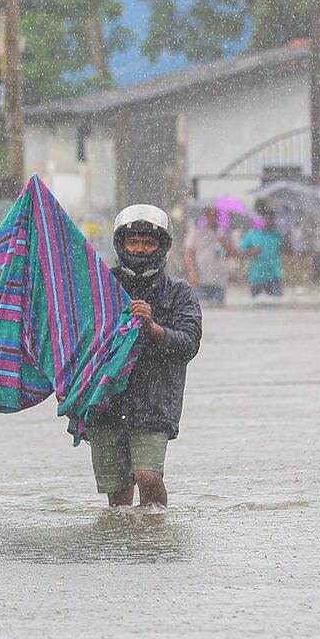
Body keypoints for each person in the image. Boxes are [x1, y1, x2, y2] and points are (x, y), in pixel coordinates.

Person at [84, 204, 202, 508]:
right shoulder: (99, 285)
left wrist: (152, 328)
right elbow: (78, 340)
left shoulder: (179, 292)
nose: (140, 249)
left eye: (148, 242)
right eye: (133, 242)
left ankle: (156, 537)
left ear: (161, 246)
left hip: (155, 400)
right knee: (118, 495)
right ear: (121, 244)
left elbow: (188, 344)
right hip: (106, 401)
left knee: (148, 476)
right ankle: (128, 547)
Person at [183, 205, 239, 307]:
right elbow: (189, 253)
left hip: (220, 280)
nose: (213, 217)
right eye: (210, 214)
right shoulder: (196, 231)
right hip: (201, 279)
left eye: (216, 214)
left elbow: (235, 253)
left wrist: (224, 243)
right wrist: (191, 272)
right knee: (201, 308)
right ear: (205, 215)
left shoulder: (226, 232)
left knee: (219, 309)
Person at [239, 204, 285, 301]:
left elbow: (289, 252)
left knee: (276, 306)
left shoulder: (278, 235)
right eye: (268, 218)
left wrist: (288, 236)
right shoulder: (252, 234)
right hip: (257, 278)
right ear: (262, 219)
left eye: (273, 219)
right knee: (257, 307)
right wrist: (251, 251)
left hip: (275, 278)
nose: (271, 222)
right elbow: (239, 252)